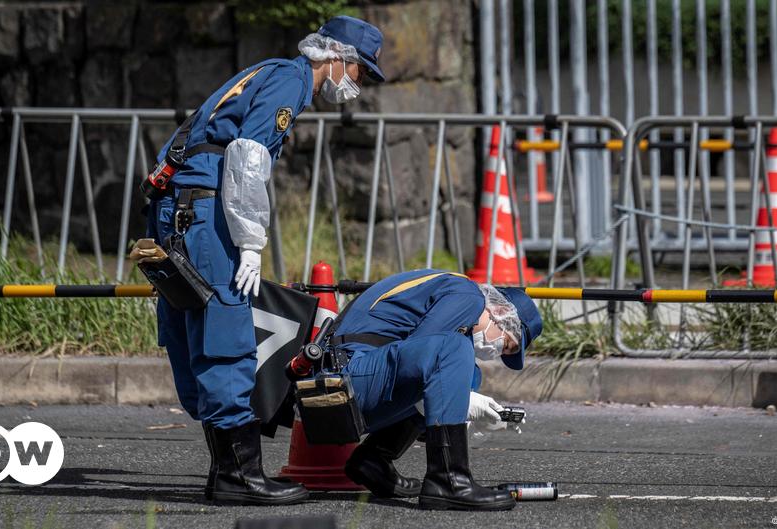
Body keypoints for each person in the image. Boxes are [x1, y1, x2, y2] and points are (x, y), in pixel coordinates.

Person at [145, 15, 386, 505]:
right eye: (360, 73)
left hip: (180, 206)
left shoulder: (266, 70)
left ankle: (226, 471)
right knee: (227, 328)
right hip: (207, 208)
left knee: (194, 323)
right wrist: (251, 241)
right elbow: (248, 157)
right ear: (338, 57)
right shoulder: (291, 81)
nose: (357, 85)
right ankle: (240, 475)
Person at [331, 269, 543, 510]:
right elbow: (427, 362)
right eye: (506, 345)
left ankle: (373, 459)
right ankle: (449, 481)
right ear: (502, 312)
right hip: (345, 381)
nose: (496, 353)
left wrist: (463, 405)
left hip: (349, 379)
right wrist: (465, 405)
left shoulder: (453, 291)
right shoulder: (468, 295)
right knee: (452, 350)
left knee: (468, 374)